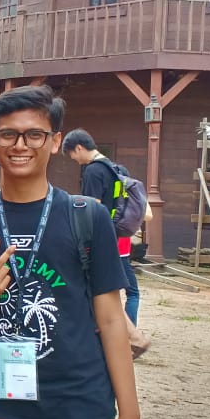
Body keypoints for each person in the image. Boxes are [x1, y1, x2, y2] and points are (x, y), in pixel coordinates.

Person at [0, 85, 142, 419]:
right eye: (8, 134)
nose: (21, 145)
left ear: (54, 142)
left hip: (78, 406)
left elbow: (111, 320)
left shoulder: (87, 217)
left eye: (34, 134)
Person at [62, 129, 141, 325]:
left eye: (72, 155)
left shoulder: (93, 171)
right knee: (130, 291)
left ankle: (104, 328)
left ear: (79, 148)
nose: (75, 160)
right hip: (118, 235)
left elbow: (91, 207)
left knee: (94, 287)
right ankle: (128, 328)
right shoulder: (118, 170)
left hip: (98, 238)